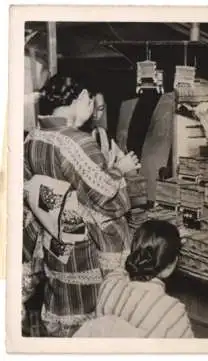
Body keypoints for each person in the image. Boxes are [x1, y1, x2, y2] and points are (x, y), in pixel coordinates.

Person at [22, 74, 141, 337]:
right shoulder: (77, 141)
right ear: (80, 98)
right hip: (85, 242)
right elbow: (106, 199)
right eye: (88, 99)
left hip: (53, 234)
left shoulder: (33, 138)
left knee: (62, 296)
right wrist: (120, 170)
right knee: (92, 316)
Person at [73, 220, 194, 338]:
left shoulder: (109, 283)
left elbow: (122, 268)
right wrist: (170, 242)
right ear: (171, 265)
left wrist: (164, 243)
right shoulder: (172, 313)